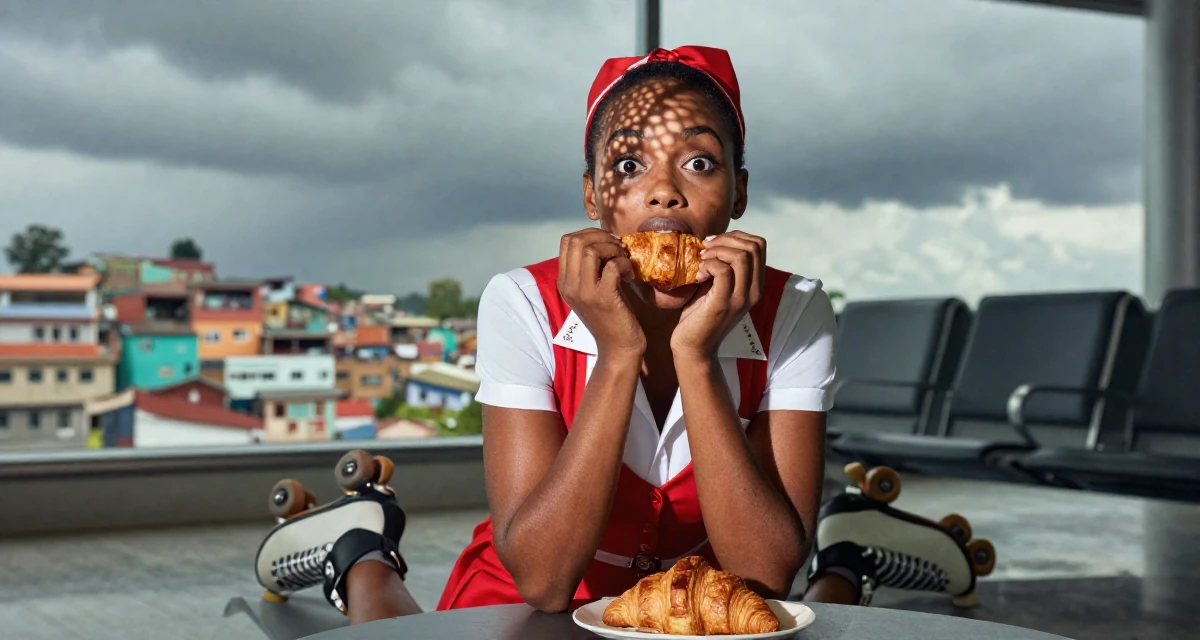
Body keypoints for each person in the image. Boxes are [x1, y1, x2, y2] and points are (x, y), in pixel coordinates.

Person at [254, 45, 988, 625]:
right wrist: (619, 354)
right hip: (528, 589)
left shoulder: (792, 307)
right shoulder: (523, 302)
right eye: (629, 165)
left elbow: (763, 576)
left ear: (738, 191)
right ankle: (361, 547)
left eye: (699, 163)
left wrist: (695, 358)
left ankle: (845, 559)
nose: (663, 191)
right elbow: (543, 581)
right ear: (593, 199)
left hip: (700, 593)